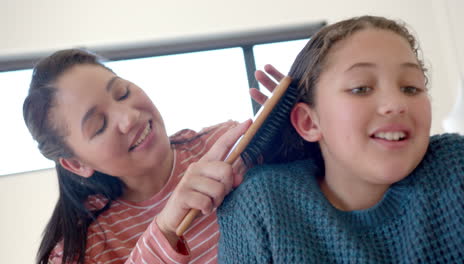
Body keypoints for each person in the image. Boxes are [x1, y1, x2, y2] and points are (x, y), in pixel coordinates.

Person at [217, 15, 464, 263]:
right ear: (309, 122)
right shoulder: (262, 206)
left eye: (411, 88)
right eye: (360, 88)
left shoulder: (457, 168)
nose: (395, 104)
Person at [22, 48, 279, 264]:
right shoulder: (81, 250)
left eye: (123, 93)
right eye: (99, 125)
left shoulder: (226, 146)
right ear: (76, 164)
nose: (129, 118)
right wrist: (165, 229)